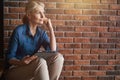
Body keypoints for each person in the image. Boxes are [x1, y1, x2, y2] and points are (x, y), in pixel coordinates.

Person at [6, 0, 64, 80]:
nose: (43, 16)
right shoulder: (18, 31)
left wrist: (50, 29)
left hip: (32, 66)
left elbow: (53, 51)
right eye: (38, 12)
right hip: (15, 68)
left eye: (43, 12)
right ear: (29, 15)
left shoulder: (41, 33)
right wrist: (21, 62)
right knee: (40, 62)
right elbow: (9, 58)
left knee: (58, 57)